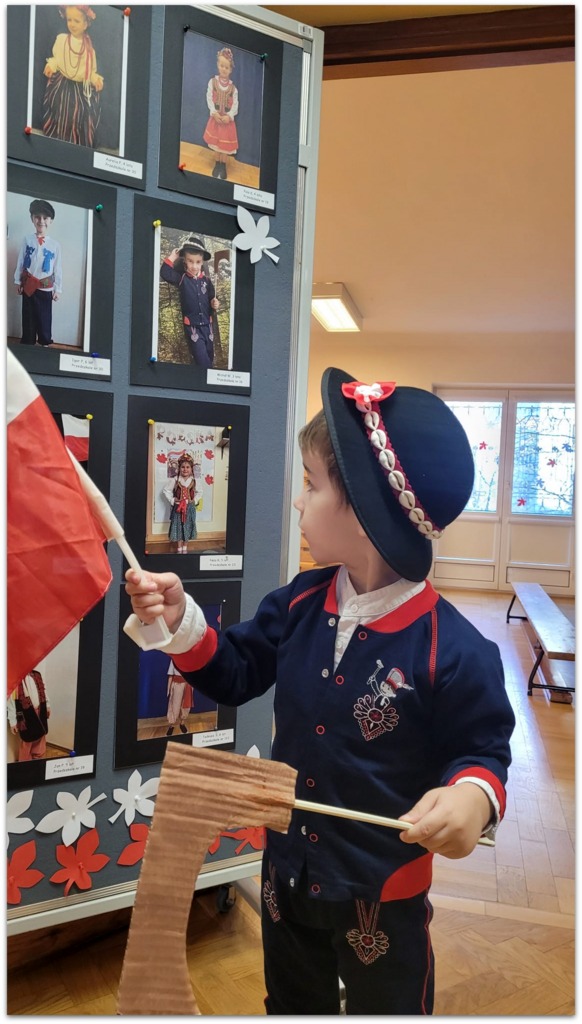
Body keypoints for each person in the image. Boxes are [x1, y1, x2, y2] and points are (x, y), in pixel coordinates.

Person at [125, 367, 516, 1016]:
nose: (298, 502)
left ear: (365, 510)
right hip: (286, 877)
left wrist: (472, 798)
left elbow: (482, 750)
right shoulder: (299, 603)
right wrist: (180, 620)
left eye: (311, 484)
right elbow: (235, 671)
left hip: (382, 895)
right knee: (291, 1003)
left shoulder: (455, 651)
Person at [42, 5, 103, 148]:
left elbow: (90, 71)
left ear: (86, 24)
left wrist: (95, 79)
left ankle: (74, 144)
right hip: (61, 84)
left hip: (79, 89)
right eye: (69, 20)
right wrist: (51, 65)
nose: (72, 24)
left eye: (77, 21)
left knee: (77, 114)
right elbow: (57, 59)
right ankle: (56, 140)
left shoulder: (89, 50)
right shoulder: (62, 40)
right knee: (59, 108)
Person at [160, 237, 219, 369]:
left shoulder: (207, 281)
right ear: (185, 261)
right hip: (193, 328)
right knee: (202, 361)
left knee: (210, 357)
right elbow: (165, 273)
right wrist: (173, 256)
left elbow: (212, 298)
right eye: (190, 261)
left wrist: (214, 303)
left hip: (208, 326)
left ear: (202, 262)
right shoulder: (182, 279)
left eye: (198, 262)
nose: (194, 266)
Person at [13, 199, 62, 347]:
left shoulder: (55, 245)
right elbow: (21, 261)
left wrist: (58, 289)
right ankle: (28, 342)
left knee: (44, 318)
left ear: (51, 220)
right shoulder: (27, 240)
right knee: (28, 318)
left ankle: (44, 343)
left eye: (45, 218)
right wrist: (18, 281)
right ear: (32, 219)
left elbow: (57, 268)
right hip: (28, 286)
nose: (41, 221)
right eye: (37, 217)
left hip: (45, 288)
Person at [202, 47, 239, 181]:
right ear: (218, 65)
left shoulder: (233, 88)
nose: (224, 69)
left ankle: (223, 165)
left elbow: (235, 104)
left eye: (227, 67)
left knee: (225, 147)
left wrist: (229, 116)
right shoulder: (212, 82)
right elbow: (209, 98)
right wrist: (213, 112)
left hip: (227, 122)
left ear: (230, 70)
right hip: (216, 120)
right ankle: (217, 163)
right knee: (217, 145)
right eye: (222, 66)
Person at [7, 669, 51, 762]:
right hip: (26, 713)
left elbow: (43, 691)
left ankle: (38, 760)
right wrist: (13, 721)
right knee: (27, 740)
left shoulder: (37, 675)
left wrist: (47, 705)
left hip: (40, 710)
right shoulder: (15, 679)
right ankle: (25, 763)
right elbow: (11, 702)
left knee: (41, 735)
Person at [162, 452, 198, 554]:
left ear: (191, 469)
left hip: (189, 508)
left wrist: (194, 500)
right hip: (178, 508)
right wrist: (173, 500)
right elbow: (166, 490)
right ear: (179, 468)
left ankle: (185, 546)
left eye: (187, 467)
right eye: (183, 467)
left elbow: (200, 492)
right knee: (178, 527)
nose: (185, 469)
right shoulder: (175, 480)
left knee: (188, 526)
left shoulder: (194, 481)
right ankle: (179, 547)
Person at [165, 660, 194, 736]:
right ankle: (171, 725)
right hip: (177, 684)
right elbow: (170, 675)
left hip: (188, 684)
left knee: (185, 706)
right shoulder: (174, 659)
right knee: (174, 705)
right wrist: (168, 688)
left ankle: (182, 723)